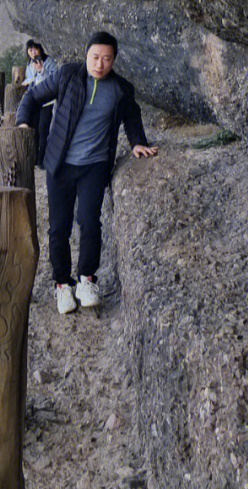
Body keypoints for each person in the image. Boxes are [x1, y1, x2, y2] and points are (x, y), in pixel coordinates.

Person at [16, 30, 157, 314]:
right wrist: (23, 124)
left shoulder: (120, 89)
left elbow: (131, 114)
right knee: (59, 228)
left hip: (94, 165)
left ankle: (87, 280)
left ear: (114, 60)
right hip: (60, 164)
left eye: (106, 59)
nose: (99, 64)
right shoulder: (68, 75)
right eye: (95, 57)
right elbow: (32, 97)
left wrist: (138, 142)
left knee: (90, 222)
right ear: (86, 55)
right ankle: (61, 285)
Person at [22, 39, 57, 167]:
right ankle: (36, 159)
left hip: (48, 102)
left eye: (35, 49)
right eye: (30, 50)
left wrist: (42, 70)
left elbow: (54, 80)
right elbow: (31, 78)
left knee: (44, 130)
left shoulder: (49, 62)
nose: (33, 52)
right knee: (34, 129)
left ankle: (43, 160)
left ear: (41, 49)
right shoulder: (30, 64)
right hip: (37, 101)